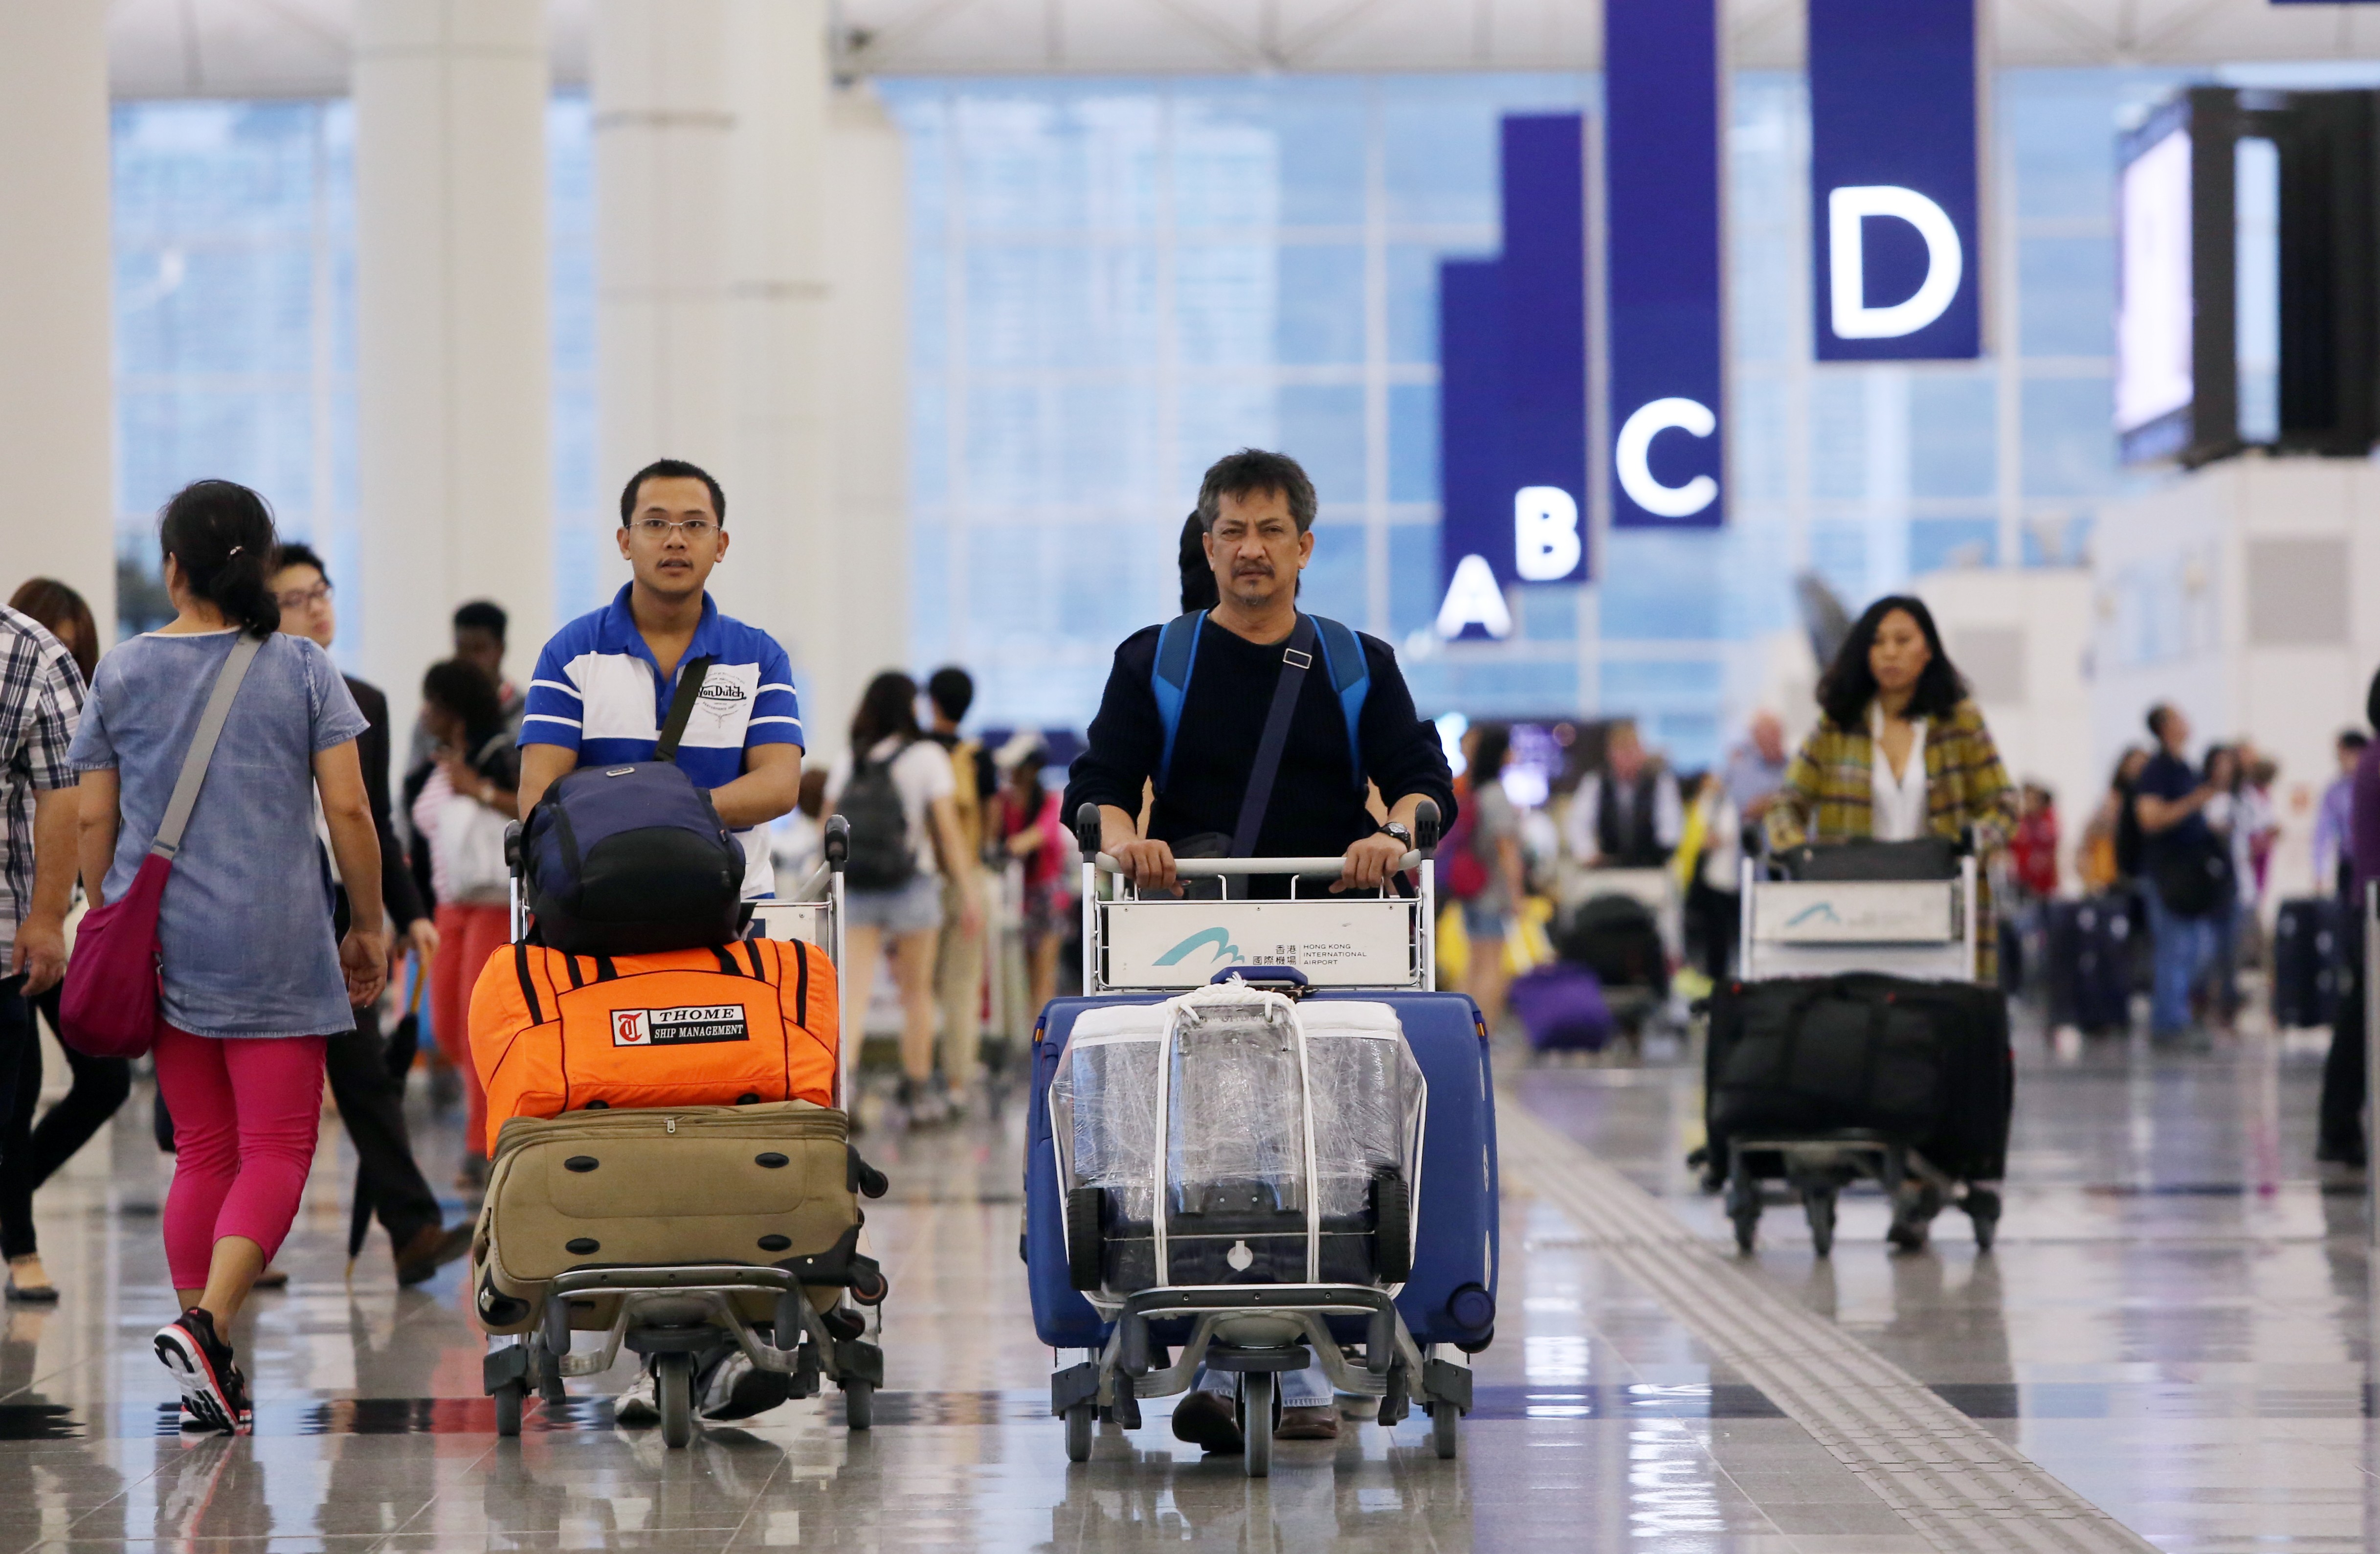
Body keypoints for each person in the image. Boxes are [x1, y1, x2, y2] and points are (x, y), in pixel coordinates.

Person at [1065, 447, 1456, 1451]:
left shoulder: (1353, 658)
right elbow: (1100, 784)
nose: (1249, 549)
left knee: (1332, 1138)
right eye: (1231, 531)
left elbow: (1420, 779)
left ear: (1305, 547)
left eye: (1270, 530)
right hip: (1190, 926)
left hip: (1333, 929)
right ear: (1207, 544)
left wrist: (1393, 834)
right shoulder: (1159, 656)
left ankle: (1311, 1356)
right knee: (1207, 1140)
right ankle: (1216, 1335)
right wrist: (1123, 839)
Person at [68, 480, 387, 1433]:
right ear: (261, 558)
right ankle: (207, 1326)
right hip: (279, 940)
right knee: (281, 1147)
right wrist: (365, 920)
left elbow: (93, 812)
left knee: (202, 1151)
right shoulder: (298, 666)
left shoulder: (122, 670)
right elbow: (349, 810)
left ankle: (204, 1361)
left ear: (172, 566)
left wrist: (106, 907)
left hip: (166, 945)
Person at [264, 545, 471, 1284]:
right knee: (247, 1089)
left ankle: (412, 1228)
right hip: (260, 913)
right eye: (296, 597)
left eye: (321, 590)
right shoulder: (247, 699)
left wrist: (403, 911)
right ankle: (239, 1234)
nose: (317, 605)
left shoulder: (365, 702)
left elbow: (372, 821)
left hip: (338, 920)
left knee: (364, 1072)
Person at [514, 458, 803, 896]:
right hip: (601, 905)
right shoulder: (570, 654)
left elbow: (780, 786)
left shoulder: (760, 658)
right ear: (625, 541)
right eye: (655, 523)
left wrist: (662, 810)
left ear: (720, 544)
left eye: (694, 524)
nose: (675, 539)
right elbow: (537, 798)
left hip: (733, 906)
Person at [1766, 594, 2017, 984]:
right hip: (1855, 910)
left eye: (1903, 641)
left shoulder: (1961, 722)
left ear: (1928, 649)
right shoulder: (1837, 724)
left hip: (1942, 907)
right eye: (1878, 642)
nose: (1889, 653)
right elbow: (1785, 803)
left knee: (1940, 1026)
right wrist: (1800, 852)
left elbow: (2003, 804)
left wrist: (1973, 843)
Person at [826, 672, 982, 1125]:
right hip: (912, 886)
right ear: (910, 707)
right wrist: (969, 893)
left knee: (851, 994)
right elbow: (948, 834)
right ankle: (916, 1094)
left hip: (856, 886)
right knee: (916, 995)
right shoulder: (928, 756)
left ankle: (847, 1090)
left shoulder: (851, 757)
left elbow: (827, 823)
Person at [0, 586, 89, 1304]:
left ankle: (17, 1230)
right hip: (37, 922)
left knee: (23, 1093)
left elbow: (66, 798)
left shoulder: (30, 653)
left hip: (25, 926)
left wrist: (48, 916)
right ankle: (18, 1234)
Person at [408, 659, 521, 1188]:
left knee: (480, 1029)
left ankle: (484, 1144)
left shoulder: (497, 753)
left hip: (492, 902)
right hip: (449, 905)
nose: (424, 713)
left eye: (432, 703)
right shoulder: (436, 760)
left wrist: (476, 788)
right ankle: (491, 1125)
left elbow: (532, 807)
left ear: (452, 711)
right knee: (448, 1025)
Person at [2132, 705, 2230, 1046]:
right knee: (2174, 948)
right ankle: (2168, 1023)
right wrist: (2195, 800)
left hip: (2190, 872)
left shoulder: (2182, 767)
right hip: (2167, 873)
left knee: (2195, 947)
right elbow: (2149, 818)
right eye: (2179, 717)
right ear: (2165, 726)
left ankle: (2177, 1016)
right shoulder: (2158, 770)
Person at [924, 666, 995, 1111]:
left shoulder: (917, 752)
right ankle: (957, 1080)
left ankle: (919, 1072)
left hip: (923, 882)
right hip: (970, 879)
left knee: (919, 988)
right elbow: (989, 825)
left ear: (931, 702)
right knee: (963, 985)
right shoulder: (980, 757)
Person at [2322, 674, 2380, 1166]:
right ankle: (2338, 1127)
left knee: (2359, 1020)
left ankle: (2338, 1126)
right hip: (2376, 913)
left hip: (2368, 907)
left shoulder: (2371, 758)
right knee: (2361, 1021)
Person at [989, 738, 1071, 1018]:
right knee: (1023, 976)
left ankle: (1043, 1036)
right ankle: (1029, 1037)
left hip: (1047, 896)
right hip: (1017, 896)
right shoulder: (1004, 803)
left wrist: (1007, 847)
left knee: (1043, 976)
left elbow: (1038, 836)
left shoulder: (1049, 800)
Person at [1453, 723, 1525, 1030]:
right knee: (1492, 964)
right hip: (1492, 892)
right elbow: (1508, 851)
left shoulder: (1478, 791)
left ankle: (1461, 1027)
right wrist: (1517, 894)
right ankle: (1484, 1029)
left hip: (1473, 889)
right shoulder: (1496, 795)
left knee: (1474, 961)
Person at [404, 599, 523, 777]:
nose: (468, 660)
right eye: (461, 649)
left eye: (478, 649)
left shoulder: (526, 714)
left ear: (501, 649)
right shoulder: (432, 716)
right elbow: (410, 785)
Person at [1564, 721, 1682, 869]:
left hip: (1651, 868)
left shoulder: (1660, 782)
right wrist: (1588, 854)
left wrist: (1663, 853)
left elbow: (1671, 825)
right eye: (1621, 751)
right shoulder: (1595, 783)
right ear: (1610, 754)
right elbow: (1578, 824)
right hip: (1607, 868)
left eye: (1631, 751)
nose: (1627, 758)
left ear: (1642, 752)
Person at [2315, 731, 2368, 900]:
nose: (2340, 761)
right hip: (2348, 863)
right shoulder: (2335, 790)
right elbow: (2323, 832)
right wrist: (2320, 871)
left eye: (2342, 756)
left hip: (2373, 859)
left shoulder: (2373, 785)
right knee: (2349, 915)